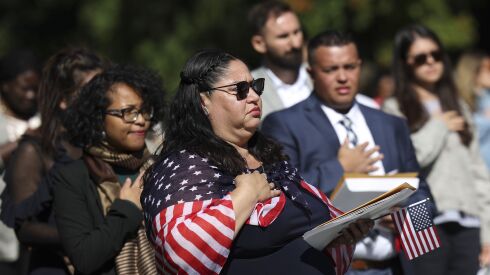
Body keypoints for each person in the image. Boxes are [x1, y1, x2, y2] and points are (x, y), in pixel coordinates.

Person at [141, 49, 373, 275]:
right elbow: (180, 254)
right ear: (204, 101)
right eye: (239, 90)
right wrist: (245, 195)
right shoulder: (183, 167)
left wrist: (336, 237)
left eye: (256, 86)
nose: (254, 96)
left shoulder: (272, 159)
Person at [261, 30, 435, 275]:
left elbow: (423, 193)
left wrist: (407, 220)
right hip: (329, 268)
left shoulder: (391, 124)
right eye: (330, 69)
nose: (342, 77)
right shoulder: (283, 124)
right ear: (310, 73)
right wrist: (341, 168)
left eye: (349, 67)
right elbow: (280, 195)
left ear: (359, 66)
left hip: (396, 267)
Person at [382, 24, 490, 275]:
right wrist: (439, 126)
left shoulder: (458, 105)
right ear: (405, 63)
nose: (431, 62)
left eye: (436, 55)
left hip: (467, 217)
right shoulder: (393, 108)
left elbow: (478, 174)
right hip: (419, 214)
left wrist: (488, 234)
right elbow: (407, 161)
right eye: (421, 58)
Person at [0, 48, 105, 274]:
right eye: (90, 92)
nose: (101, 100)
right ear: (63, 100)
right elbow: (25, 227)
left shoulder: (101, 144)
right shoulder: (35, 150)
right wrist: (84, 238)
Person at [53, 64, 164, 275]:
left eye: (143, 111)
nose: (140, 120)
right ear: (98, 119)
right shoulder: (72, 178)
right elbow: (84, 258)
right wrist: (127, 211)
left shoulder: (162, 167)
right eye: (127, 112)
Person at [247, 1, 377, 120]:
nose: (296, 43)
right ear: (259, 43)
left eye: (297, 32)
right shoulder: (249, 89)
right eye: (283, 36)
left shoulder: (323, 75)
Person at [0, 49, 41, 274]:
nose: (31, 95)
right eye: (24, 88)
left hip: (36, 237)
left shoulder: (46, 118)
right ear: (5, 86)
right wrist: (23, 142)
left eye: (35, 89)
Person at [455, 50, 490, 169]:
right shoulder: (458, 101)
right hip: (477, 171)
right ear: (473, 72)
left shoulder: (485, 97)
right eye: (488, 68)